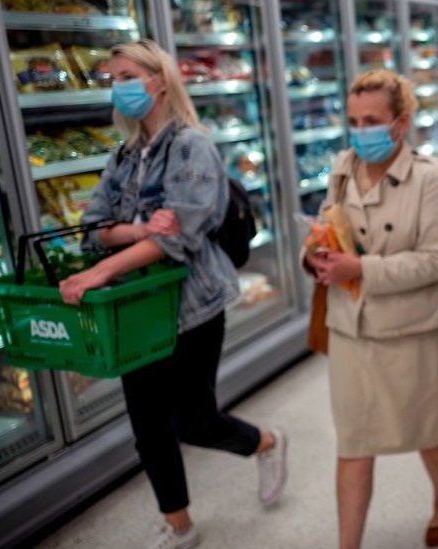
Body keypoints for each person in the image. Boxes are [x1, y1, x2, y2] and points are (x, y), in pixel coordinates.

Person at [58, 40, 287, 549]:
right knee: (148, 425)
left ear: (159, 80)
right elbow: (92, 227)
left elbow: (178, 237)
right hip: (137, 307)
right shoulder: (123, 155)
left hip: (192, 307)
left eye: (126, 75)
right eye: (111, 78)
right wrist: (140, 233)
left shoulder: (192, 147)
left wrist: (105, 267)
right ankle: (179, 525)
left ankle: (266, 442)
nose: (117, 86)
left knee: (194, 421)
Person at [304, 69, 438, 549]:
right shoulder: (340, 167)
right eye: (354, 120)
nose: (361, 131)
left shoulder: (431, 179)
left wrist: (362, 268)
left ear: (401, 123)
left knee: (430, 432)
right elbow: (325, 228)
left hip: (412, 329)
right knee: (353, 443)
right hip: (352, 327)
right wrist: (314, 256)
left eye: (372, 120)